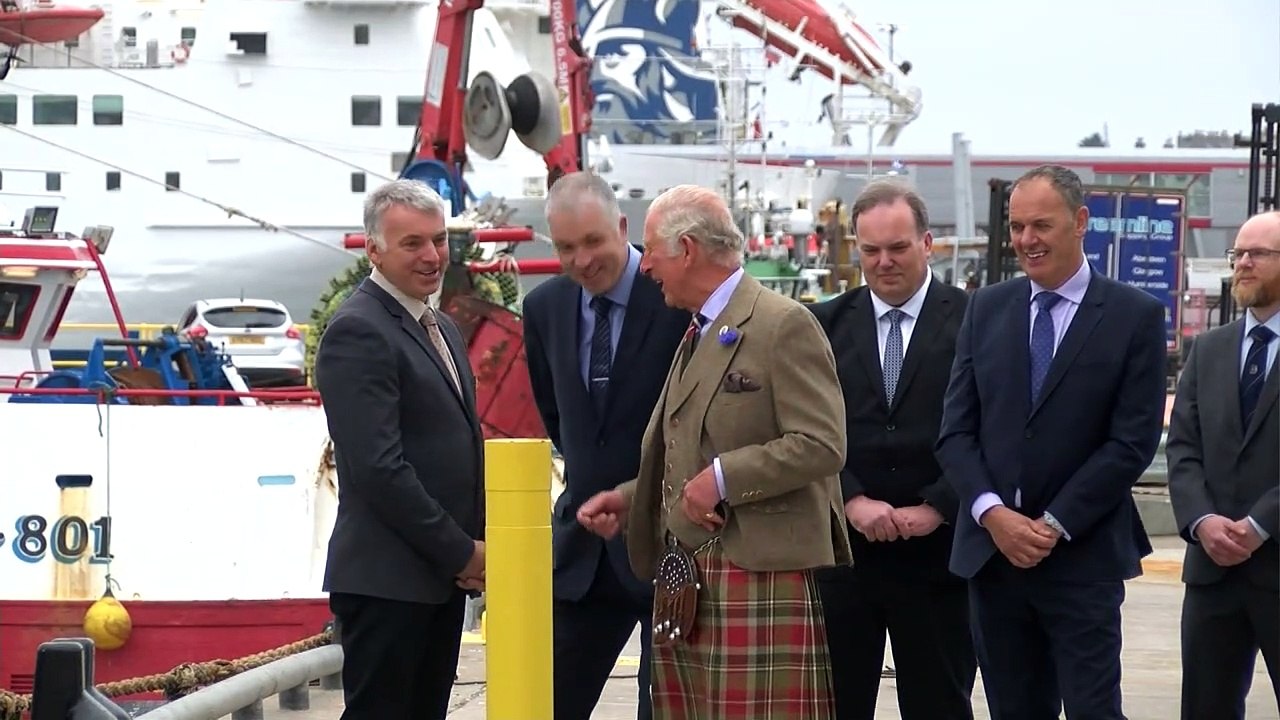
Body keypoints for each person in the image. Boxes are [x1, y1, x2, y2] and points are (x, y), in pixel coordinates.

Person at [577, 184, 852, 719]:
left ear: (687, 249)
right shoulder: (698, 330)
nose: (647, 264)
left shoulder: (782, 324)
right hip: (692, 575)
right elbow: (693, 450)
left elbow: (822, 444)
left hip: (759, 572)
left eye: (653, 249)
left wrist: (724, 478)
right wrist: (632, 498)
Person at [935, 164, 1168, 720]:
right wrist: (994, 516)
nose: (1025, 241)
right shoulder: (986, 309)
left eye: (1041, 225)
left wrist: (1052, 523)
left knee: (1094, 710)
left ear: (1080, 221)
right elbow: (956, 433)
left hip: (1081, 560)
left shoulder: (1134, 316)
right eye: (1016, 227)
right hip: (994, 561)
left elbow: (1130, 443)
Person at [315, 178, 486, 720]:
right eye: (412, 243)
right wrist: (463, 552)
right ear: (374, 250)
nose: (433, 256)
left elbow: (457, 449)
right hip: (388, 584)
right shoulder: (359, 331)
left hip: (433, 583)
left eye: (439, 240)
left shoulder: (441, 328)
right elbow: (378, 470)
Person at [522, 171, 690, 719]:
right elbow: (561, 420)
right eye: (566, 247)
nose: (582, 260)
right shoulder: (545, 309)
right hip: (582, 556)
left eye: (594, 242)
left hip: (670, 548)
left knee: (664, 710)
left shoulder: (677, 299)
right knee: (546, 704)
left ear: (623, 227)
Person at [809, 179, 976, 720]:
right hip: (845, 559)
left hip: (940, 561)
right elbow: (803, 429)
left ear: (928, 243)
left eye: (898, 248)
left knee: (938, 705)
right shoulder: (821, 325)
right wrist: (850, 500)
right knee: (835, 706)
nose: (884, 262)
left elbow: (994, 428)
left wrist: (939, 506)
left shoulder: (976, 321)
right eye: (870, 250)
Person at [1166, 209, 1280, 719]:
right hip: (1213, 574)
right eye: (1238, 254)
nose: (1243, 265)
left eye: (1258, 254)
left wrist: (1260, 525)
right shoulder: (1209, 350)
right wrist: (1202, 521)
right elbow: (1183, 449)